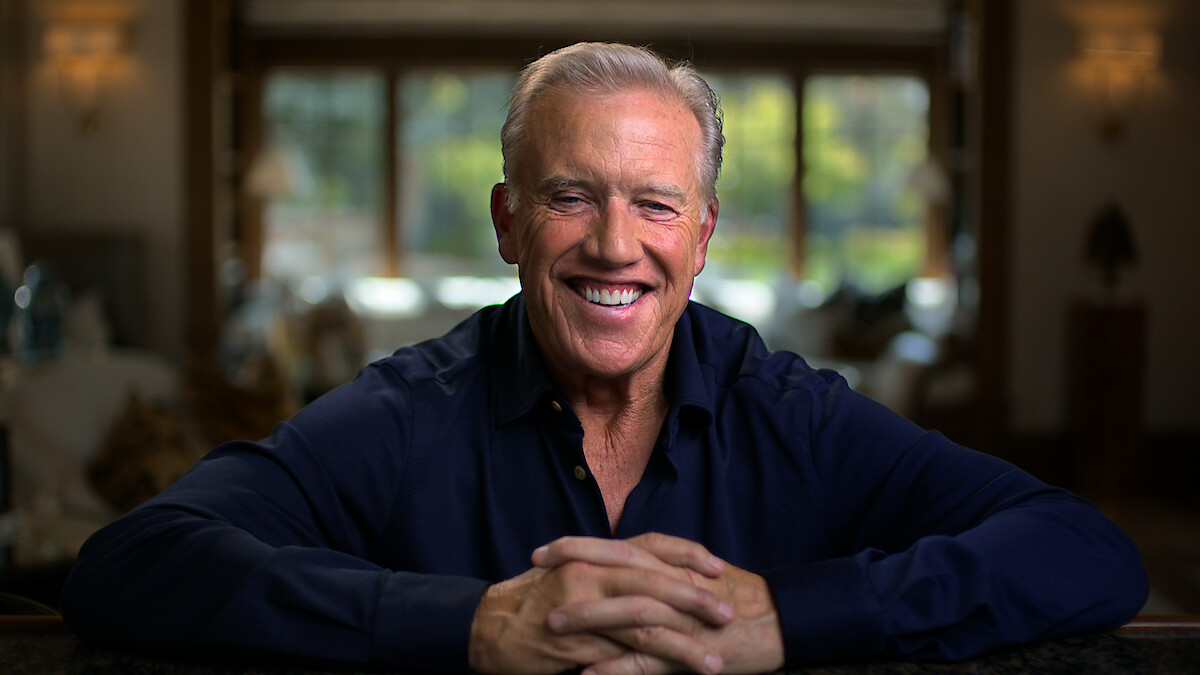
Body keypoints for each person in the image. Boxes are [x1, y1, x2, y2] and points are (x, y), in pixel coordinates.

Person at [61, 42, 1148, 674]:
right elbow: (134, 562)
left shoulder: (795, 414)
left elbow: (1085, 550)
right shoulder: (405, 413)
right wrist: (470, 623)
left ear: (705, 235)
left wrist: (786, 617)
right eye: (569, 197)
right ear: (507, 221)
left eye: (655, 205)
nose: (614, 245)